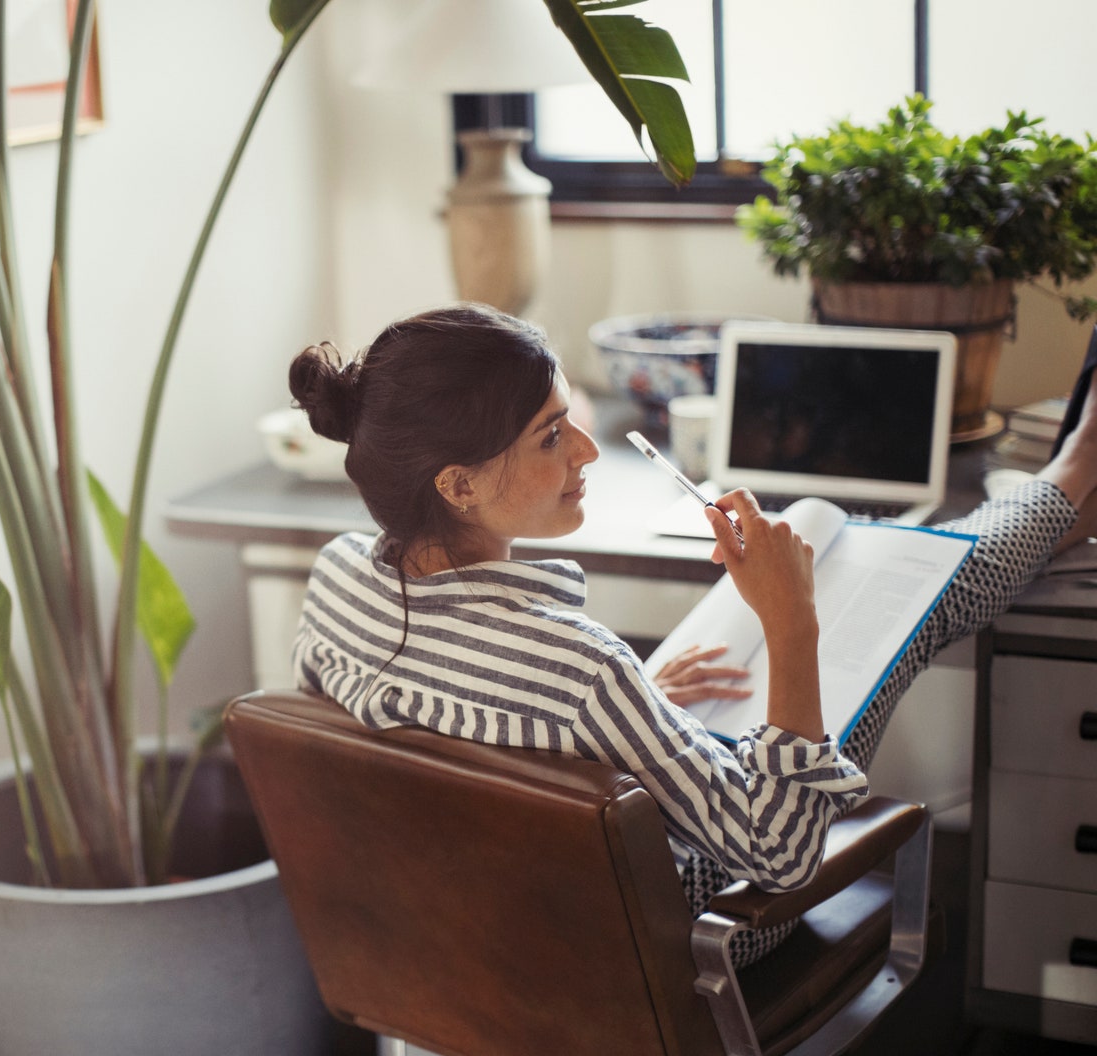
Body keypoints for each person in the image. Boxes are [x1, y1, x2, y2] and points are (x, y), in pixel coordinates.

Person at [287, 303, 1097, 967]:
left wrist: (600, 727)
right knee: (904, 610)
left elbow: (423, 739)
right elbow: (781, 857)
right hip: (660, 948)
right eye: (548, 435)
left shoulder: (335, 581)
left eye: (570, 418)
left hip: (468, 943)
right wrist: (791, 622)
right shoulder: (582, 674)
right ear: (457, 484)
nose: (588, 449)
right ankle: (1069, 481)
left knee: (880, 595)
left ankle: (1067, 492)